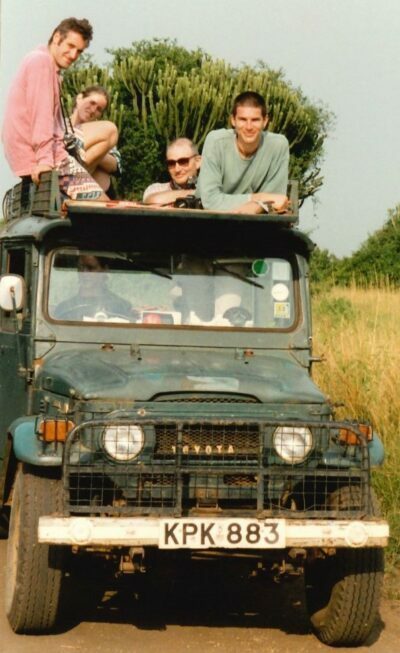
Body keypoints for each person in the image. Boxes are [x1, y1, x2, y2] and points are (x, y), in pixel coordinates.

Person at [2, 17, 108, 201]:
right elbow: (41, 117)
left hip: (35, 156)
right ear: (57, 37)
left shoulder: (40, 62)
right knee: (104, 208)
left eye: (79, 51)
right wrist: (44, 162)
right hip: (48, 159)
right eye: (70, 45)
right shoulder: (41, 62)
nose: (74, 55)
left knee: (103, 180)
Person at [196, 91, 289, 214]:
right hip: (210, 219)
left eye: (255, 120)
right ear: (233, 120)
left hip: (257, 222)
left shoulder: (278, 145)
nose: (249, 127)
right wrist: (256, 199)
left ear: (265, 121)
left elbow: (276, 200)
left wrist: (257, 205)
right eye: (243, 119)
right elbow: (210, 201)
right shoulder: (216, 142)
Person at [69, 85, 121, 195]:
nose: (93, 110)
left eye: (99, 109)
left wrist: (97, 153)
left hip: (96, 189)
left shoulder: (101, 135)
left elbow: (116, 165)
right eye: (92, 103)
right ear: (79, 98)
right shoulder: (60, 125)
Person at [53, 254, 132, 320]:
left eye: (90, 268)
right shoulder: (64, 309)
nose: (84, 272)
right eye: (81, 267)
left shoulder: (122, 307)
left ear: (104, 270)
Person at [143, 138, 201, 205]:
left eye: (183, 161)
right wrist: (196, 193)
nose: (177, 169)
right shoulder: (156, 189)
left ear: (198, 161)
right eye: (171, 163)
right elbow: (152, 200)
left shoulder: (212, 188)